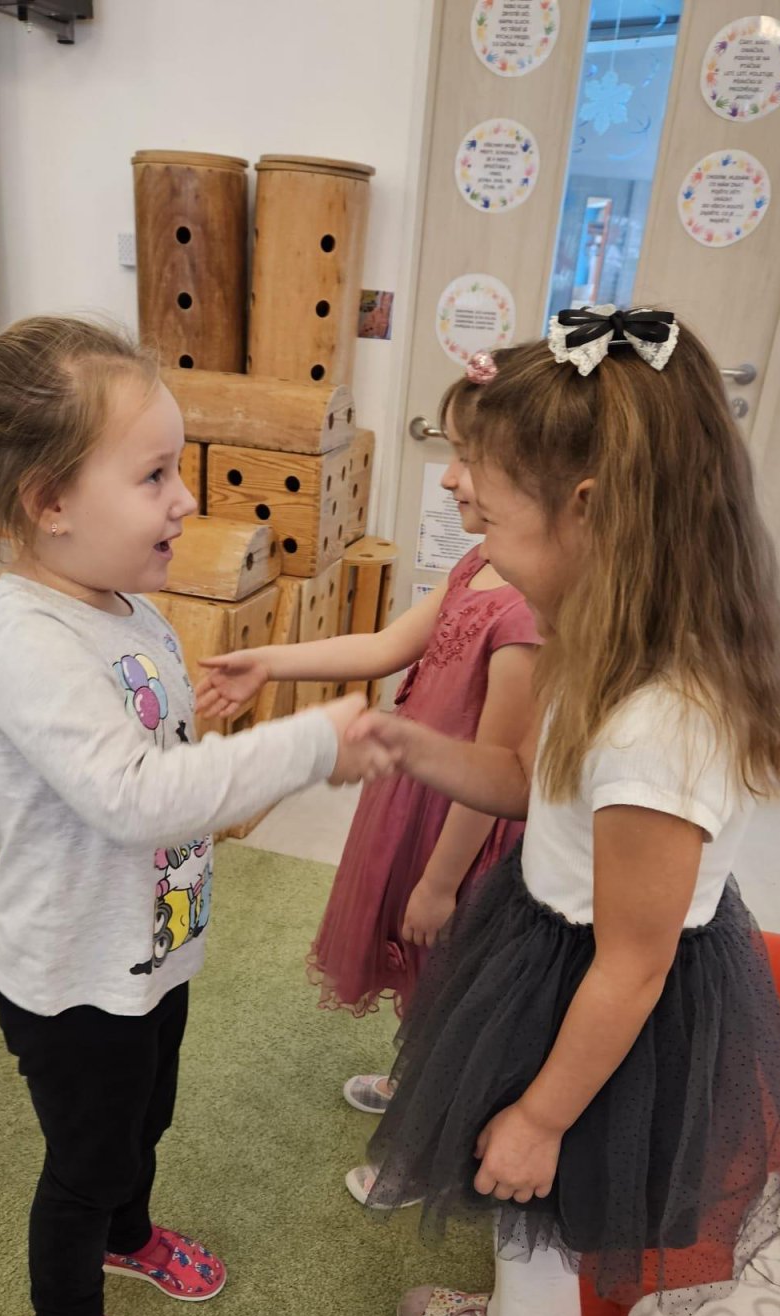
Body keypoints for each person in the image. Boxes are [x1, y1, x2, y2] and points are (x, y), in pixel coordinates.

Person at [346, 309, 780, 1316]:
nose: (484, 550)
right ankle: (514, 1309)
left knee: (537, 1222)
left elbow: (637, 962)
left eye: (497, 524)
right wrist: (414, 746)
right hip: (559, 954)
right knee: (523, 1226)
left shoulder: (665, 721)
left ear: (591, 512)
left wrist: (546, 1116)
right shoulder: (608, 639)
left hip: (604, 1001)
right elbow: (529, 783)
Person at [0, 316, 384, 1316]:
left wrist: (232, 732)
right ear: (50, 503)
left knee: (142, 1120)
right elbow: (130, 798)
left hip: (147, 947)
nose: (185, 500)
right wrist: (307, 745)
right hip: (72, 975)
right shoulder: (26, 638)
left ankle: (129, 1234)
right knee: (86, 1160)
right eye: (155, 474)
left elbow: (166, 766)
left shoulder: (126, 610)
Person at [198, 352, 539, 1206]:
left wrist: (440, 881)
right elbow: (387, 646)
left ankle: (425, 1146)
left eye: (469, 458)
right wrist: (270, 661)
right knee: (420, 970)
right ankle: (415, 1079)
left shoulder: (528, 614)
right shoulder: (478, 564)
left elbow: (498, 772)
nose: (449, 477)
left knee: (447, 975)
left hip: (458, 828)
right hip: (414, 799)